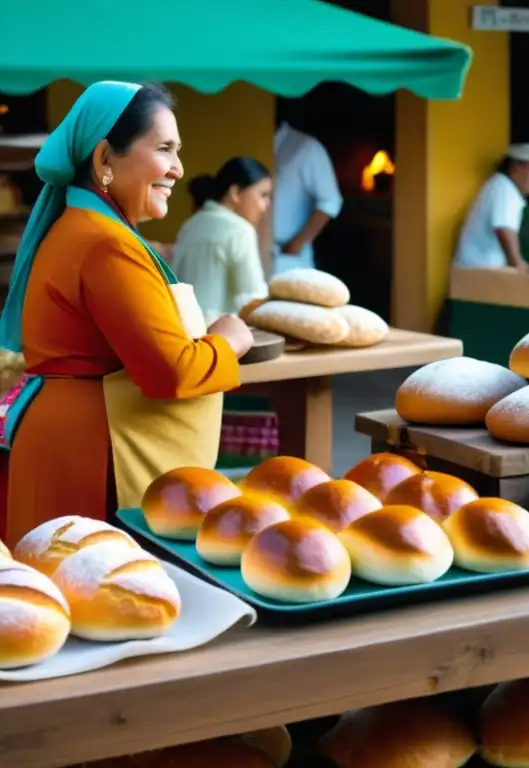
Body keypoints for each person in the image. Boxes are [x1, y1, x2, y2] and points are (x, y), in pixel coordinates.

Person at [0, 81, 253, 543]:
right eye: (164, 149)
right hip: (88, 453)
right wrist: (229, 341)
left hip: (65, 439)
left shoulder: (83, 227)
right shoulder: (105, 243)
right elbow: (170, 372)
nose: (178, 169)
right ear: (103, 160)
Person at [172, 157, 272, 323]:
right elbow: (254, 298)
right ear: (236, 193)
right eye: (263, 195)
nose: (266, 205)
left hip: (180, 329)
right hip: (216, 336)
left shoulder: (190, 224)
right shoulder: (240, 230)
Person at [453, 143, 529, 270]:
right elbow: (504, 228)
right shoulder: (504, 188)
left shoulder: (500, 185)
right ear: (516, 168)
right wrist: (518, 263)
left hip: (476, 271)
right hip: (478, 272)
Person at [272, 111, 342, 274]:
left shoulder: (306, 147)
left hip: (289, 261)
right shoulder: (247, 143)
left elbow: (330, 202)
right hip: (253, 255)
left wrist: (294, 246)